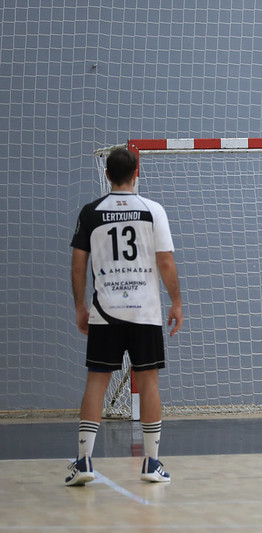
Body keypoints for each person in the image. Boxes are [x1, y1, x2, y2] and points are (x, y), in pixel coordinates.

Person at [66, 147, 183, 486]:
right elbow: (166, 262)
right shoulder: (153, 210)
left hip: (105, 311)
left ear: (107, 175)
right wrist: (176, 301)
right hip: (145, 311)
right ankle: (151, 462)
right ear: (137, 173)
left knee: (96, 382)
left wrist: (80, 306)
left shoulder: (91, 212)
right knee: (148, 383)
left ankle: (84, 461)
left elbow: (78, 264)